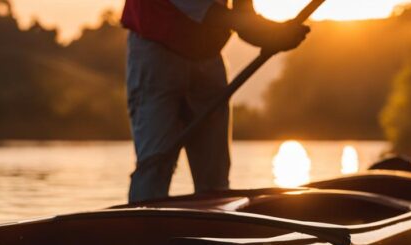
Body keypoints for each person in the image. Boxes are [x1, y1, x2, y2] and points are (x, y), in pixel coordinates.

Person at [122, 0, 310, 203]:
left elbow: (244, 16)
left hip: (208, 58)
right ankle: (141, 223)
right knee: (154, 165)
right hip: (156, 54)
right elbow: (211, 13)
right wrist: (271, 29)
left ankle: (215, 222)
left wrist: (274, 36)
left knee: (215, 178)